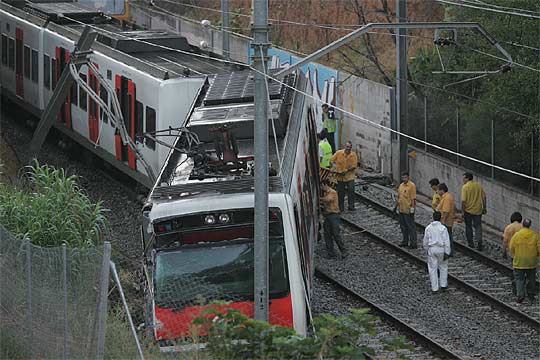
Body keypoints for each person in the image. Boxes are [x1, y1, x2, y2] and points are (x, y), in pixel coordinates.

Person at [509, 219, 539, 304]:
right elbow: (539, 248)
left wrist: (515, 254)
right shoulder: (535, 235)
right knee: (531, 279)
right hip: (531, 262)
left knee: (519, 279)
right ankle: (531, 295)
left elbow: (511, 247)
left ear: (522, 224)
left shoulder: (517, 235)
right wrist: (537, 256)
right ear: (530, 225)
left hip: (519, 261)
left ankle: (520, 295)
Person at [423, 211, 451, 293]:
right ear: (440, 218)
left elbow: (425, 240)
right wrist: (447, 252)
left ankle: (434, 288)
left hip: (432, 249)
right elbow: (447, 241)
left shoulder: (428, 228)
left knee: (432, 269)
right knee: (443, 266)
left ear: (433, 217)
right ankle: (443, 285)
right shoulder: (443, 228)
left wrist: (426, 249)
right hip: (441, 249)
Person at [320, 181, 347, 259]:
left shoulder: (332, 192)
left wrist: (319, 199)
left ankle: (343, 250)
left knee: (336, 234)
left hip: (334, 216)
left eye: (322, 186)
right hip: (328, 216)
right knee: (327, 235)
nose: (321, 188)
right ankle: (330, 253)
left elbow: (328, 200)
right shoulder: (325, 193)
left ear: (326, 185)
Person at [329, 141, 358, 212]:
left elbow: (354, 166)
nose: (348, 148)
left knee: (351, 190)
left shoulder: (353, 155)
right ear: (344, 147)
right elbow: (331, 160)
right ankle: (340, 207)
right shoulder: (339, 153)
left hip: (349, 176)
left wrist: (347, 170)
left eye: (349, 147)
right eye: (347, 147)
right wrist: (334, 168)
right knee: (340, 193)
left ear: (351, 148)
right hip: (340, 177)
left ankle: (351, 206)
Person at [461, 172, 486, 251]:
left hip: (468, 210)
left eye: (464, 178)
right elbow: (484, 197)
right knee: (478, 226)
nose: (463, 180)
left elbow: (463, 201)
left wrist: (462, 211)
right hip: (478, 210)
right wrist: (484, 208)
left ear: (468, 178)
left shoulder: (465, 187)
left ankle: (470, 243)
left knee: (468, 226)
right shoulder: (478, 185)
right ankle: (479, 242)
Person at [396, 172, 417, 249]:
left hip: (408, 210)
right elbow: (399, 197)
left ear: (408, 177)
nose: (404, 179)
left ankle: (413, 243)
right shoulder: (401, 186)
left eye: (405, 177)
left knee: (411, 226)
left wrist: (412, 209)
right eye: (403, 177)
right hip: (401, 209)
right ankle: (405, 241)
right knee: (403, 226)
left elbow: (413, 199)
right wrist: (397, 206)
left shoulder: (412, 186)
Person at [436, 183, 455, 256]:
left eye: (438, 190)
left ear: (442, 190)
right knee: (447, 236)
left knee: (447, 237)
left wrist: (443, 221)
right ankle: (448, 251)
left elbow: (446, 211)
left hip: (447, 221)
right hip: (447, 221)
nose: (437, 192)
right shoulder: (446, 197)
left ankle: (449, 251)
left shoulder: (447, 198)